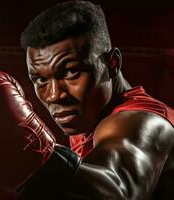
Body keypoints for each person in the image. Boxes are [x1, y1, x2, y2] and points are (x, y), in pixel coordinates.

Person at [17, 0, 174, 199]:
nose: (55, 95)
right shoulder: (88, 118)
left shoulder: (142, 122)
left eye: (71, 72)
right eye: (40, 79)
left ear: (112, 63)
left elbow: (117, 189)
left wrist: (29, 151)